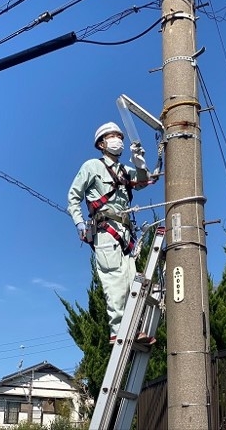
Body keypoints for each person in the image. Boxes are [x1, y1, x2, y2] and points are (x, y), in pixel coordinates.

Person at [67, 121, 152, 344]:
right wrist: (79, 223)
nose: (118, 140)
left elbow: (146, 181)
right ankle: (118, 330)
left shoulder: (126, 170)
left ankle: (134, 327)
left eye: (120, 137)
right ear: (102, 144)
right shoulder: (92, 166)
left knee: (132, 280)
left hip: (125, 232)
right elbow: (73, 197)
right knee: (114, 280)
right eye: (113, 136)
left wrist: (140, 164)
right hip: (105, 231)